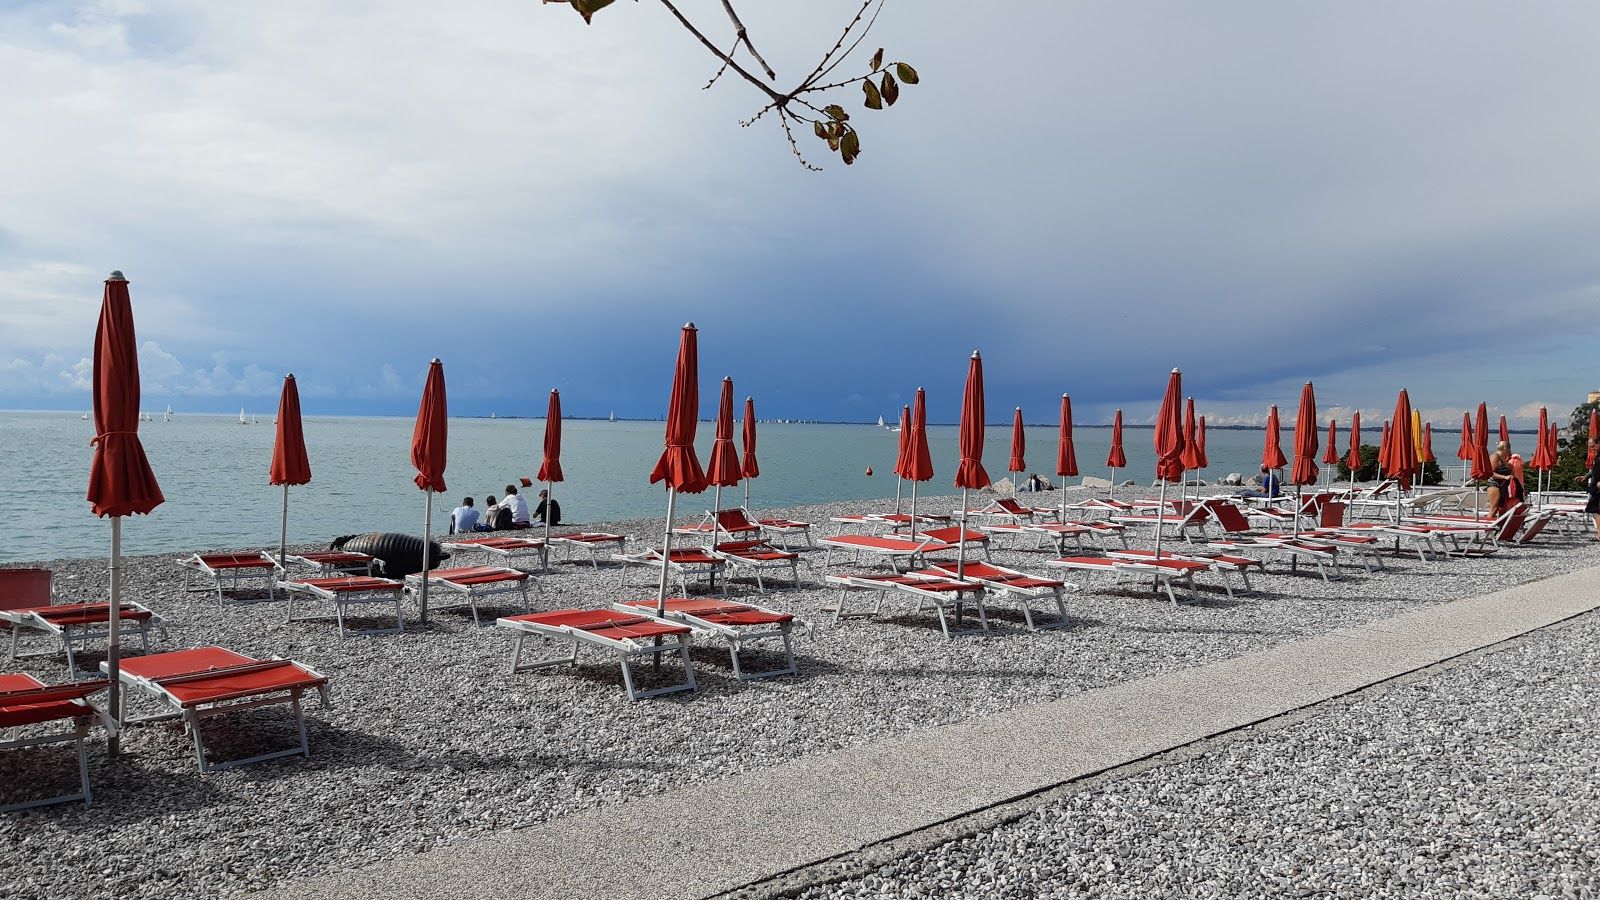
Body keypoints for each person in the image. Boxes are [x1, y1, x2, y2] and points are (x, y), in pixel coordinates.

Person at [1586, 438, 1600, 540]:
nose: (1592, 449)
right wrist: (1586, 476)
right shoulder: (1597, 456)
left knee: (1598, 511)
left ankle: (1599, 535)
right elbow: (1595, 470)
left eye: (1593, 446)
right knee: (1596, 511)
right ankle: (1599, 534)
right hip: (1596, 488)